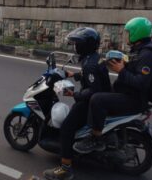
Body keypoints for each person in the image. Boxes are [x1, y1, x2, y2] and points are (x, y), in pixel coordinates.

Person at [73, 17, 152, 154]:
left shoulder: (147, 55)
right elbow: (135, 69)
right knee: (102, 92)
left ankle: (96, 139)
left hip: (135, 99)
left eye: (128, 32)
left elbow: (141, 83)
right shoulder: (140, 49)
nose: (125, 35)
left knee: (97, 99)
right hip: (129, 94)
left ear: (136, 33)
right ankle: (103, 131)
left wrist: (121, 70)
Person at [43, 27, 111, 180]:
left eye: (78, 43)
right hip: (100, 97)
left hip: (91, 101)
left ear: (86, 45)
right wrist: (72, 74)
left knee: (66, 128)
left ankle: (65, 169)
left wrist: (74, 94)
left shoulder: (90, 64)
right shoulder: (93, 58)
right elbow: (90, 77)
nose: (76, 46)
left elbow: (93, 90)